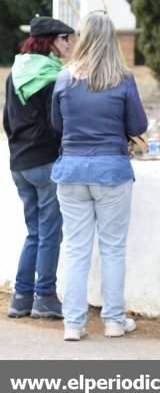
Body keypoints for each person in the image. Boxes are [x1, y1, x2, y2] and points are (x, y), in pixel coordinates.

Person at [50, 13, 148, 341]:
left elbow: (57, 124)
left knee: (76, 249)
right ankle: (114, 320)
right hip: (112, 170)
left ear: (82, 37)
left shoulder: (64, 78)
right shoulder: (123, 78)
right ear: (112, 39)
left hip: (72, 169)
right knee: (112, 249)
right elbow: (137, 126)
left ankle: (73, 324)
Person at [4, 16, 75, 319]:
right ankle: (44, 295)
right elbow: (56, 124)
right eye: (66, 39)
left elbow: (7, 121)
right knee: (49, 233)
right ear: (53, 42)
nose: (69, 45)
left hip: (19, 163)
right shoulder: (54, 76)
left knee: (34, 232)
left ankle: (21, 298)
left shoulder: (15, 73)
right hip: (45, 162)